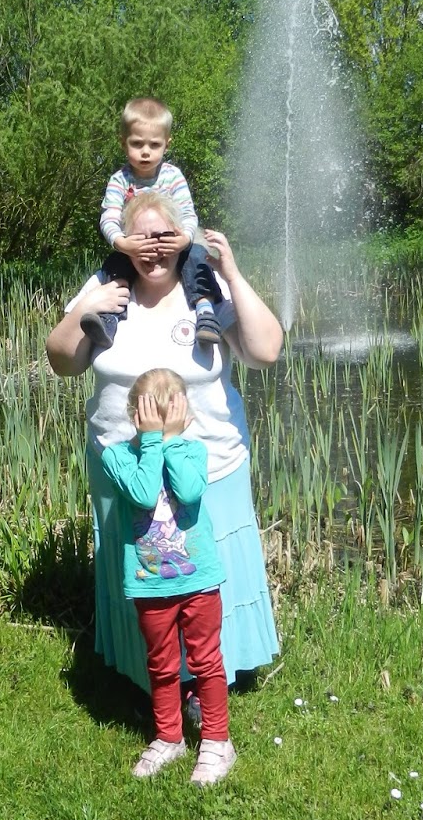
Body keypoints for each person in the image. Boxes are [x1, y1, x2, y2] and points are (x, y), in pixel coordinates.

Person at [46, 188, 283, 704]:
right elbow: (62, 361)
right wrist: (86, 307)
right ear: (122, 242)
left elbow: (266, 350)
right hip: (124, 472)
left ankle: (206, 682)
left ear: (183, 238)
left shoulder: (206, 287)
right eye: (141, 238)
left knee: (205, 576)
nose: (153, 248)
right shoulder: (106, 287)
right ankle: (146, 675)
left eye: (164, 236)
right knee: (142, 575)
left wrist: (232, 272)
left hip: (208, 469)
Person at [100, 367, 235, 785]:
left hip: (198, 580)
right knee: (161, 664)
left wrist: (172, 441)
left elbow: (189, 490)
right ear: (136, 417)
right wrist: (154, 441)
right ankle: (169, 737)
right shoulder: (117, 457)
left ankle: (217, 741)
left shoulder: (192, 451)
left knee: (206, 660)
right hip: (150, 581)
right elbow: (143, 493)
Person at [82, 96, 230, 352]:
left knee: (197, 258)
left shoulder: (173, 176)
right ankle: (110, 319)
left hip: (172, 245)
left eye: (154, 144)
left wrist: (185, 238)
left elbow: (188, 213)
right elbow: (109, 215)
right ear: (123, 143)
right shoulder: (119, 180)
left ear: (166, 144)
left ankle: (205, 312)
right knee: (115, 267)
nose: (146, 151)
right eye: (137, 143)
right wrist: (120, 242)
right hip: (135, 247)